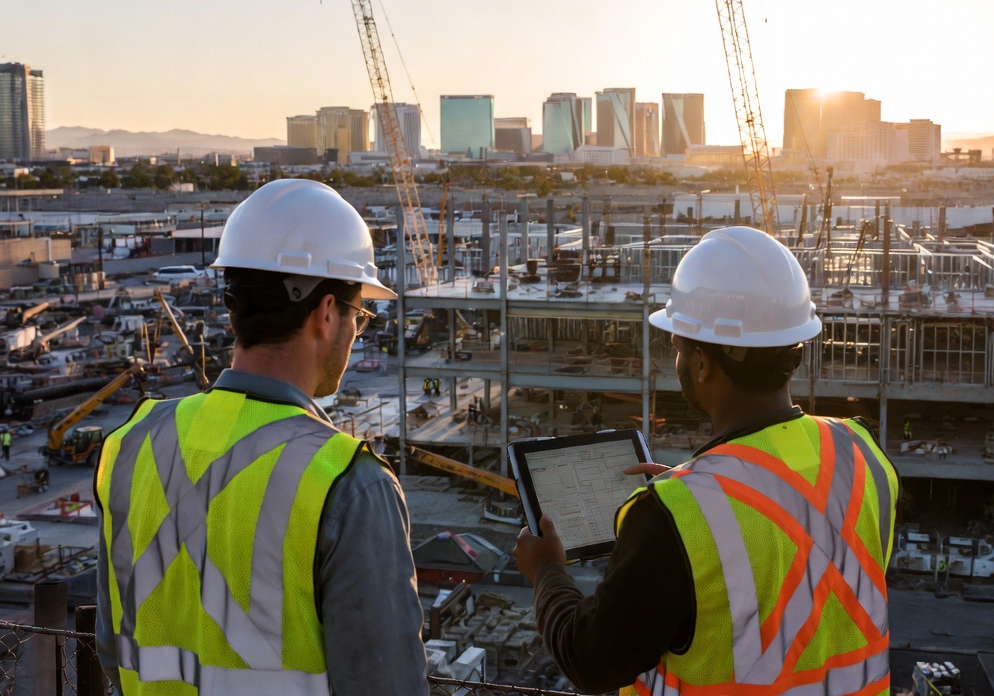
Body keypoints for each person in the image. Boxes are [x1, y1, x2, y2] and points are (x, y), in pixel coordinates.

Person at [514, 227, 900, 695]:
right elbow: (806, 564)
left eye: (677, 347)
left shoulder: (671, 516)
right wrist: (696, 489)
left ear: (701, 364)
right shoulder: (863, 454)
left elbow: (591, 660)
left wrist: (547, 571)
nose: (675, 360)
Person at [94, 180, 429, 696]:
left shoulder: (132, 444)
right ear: (325, 314)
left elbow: (113, 652)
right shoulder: (348, 484)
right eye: (359, 316)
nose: (355, 330)